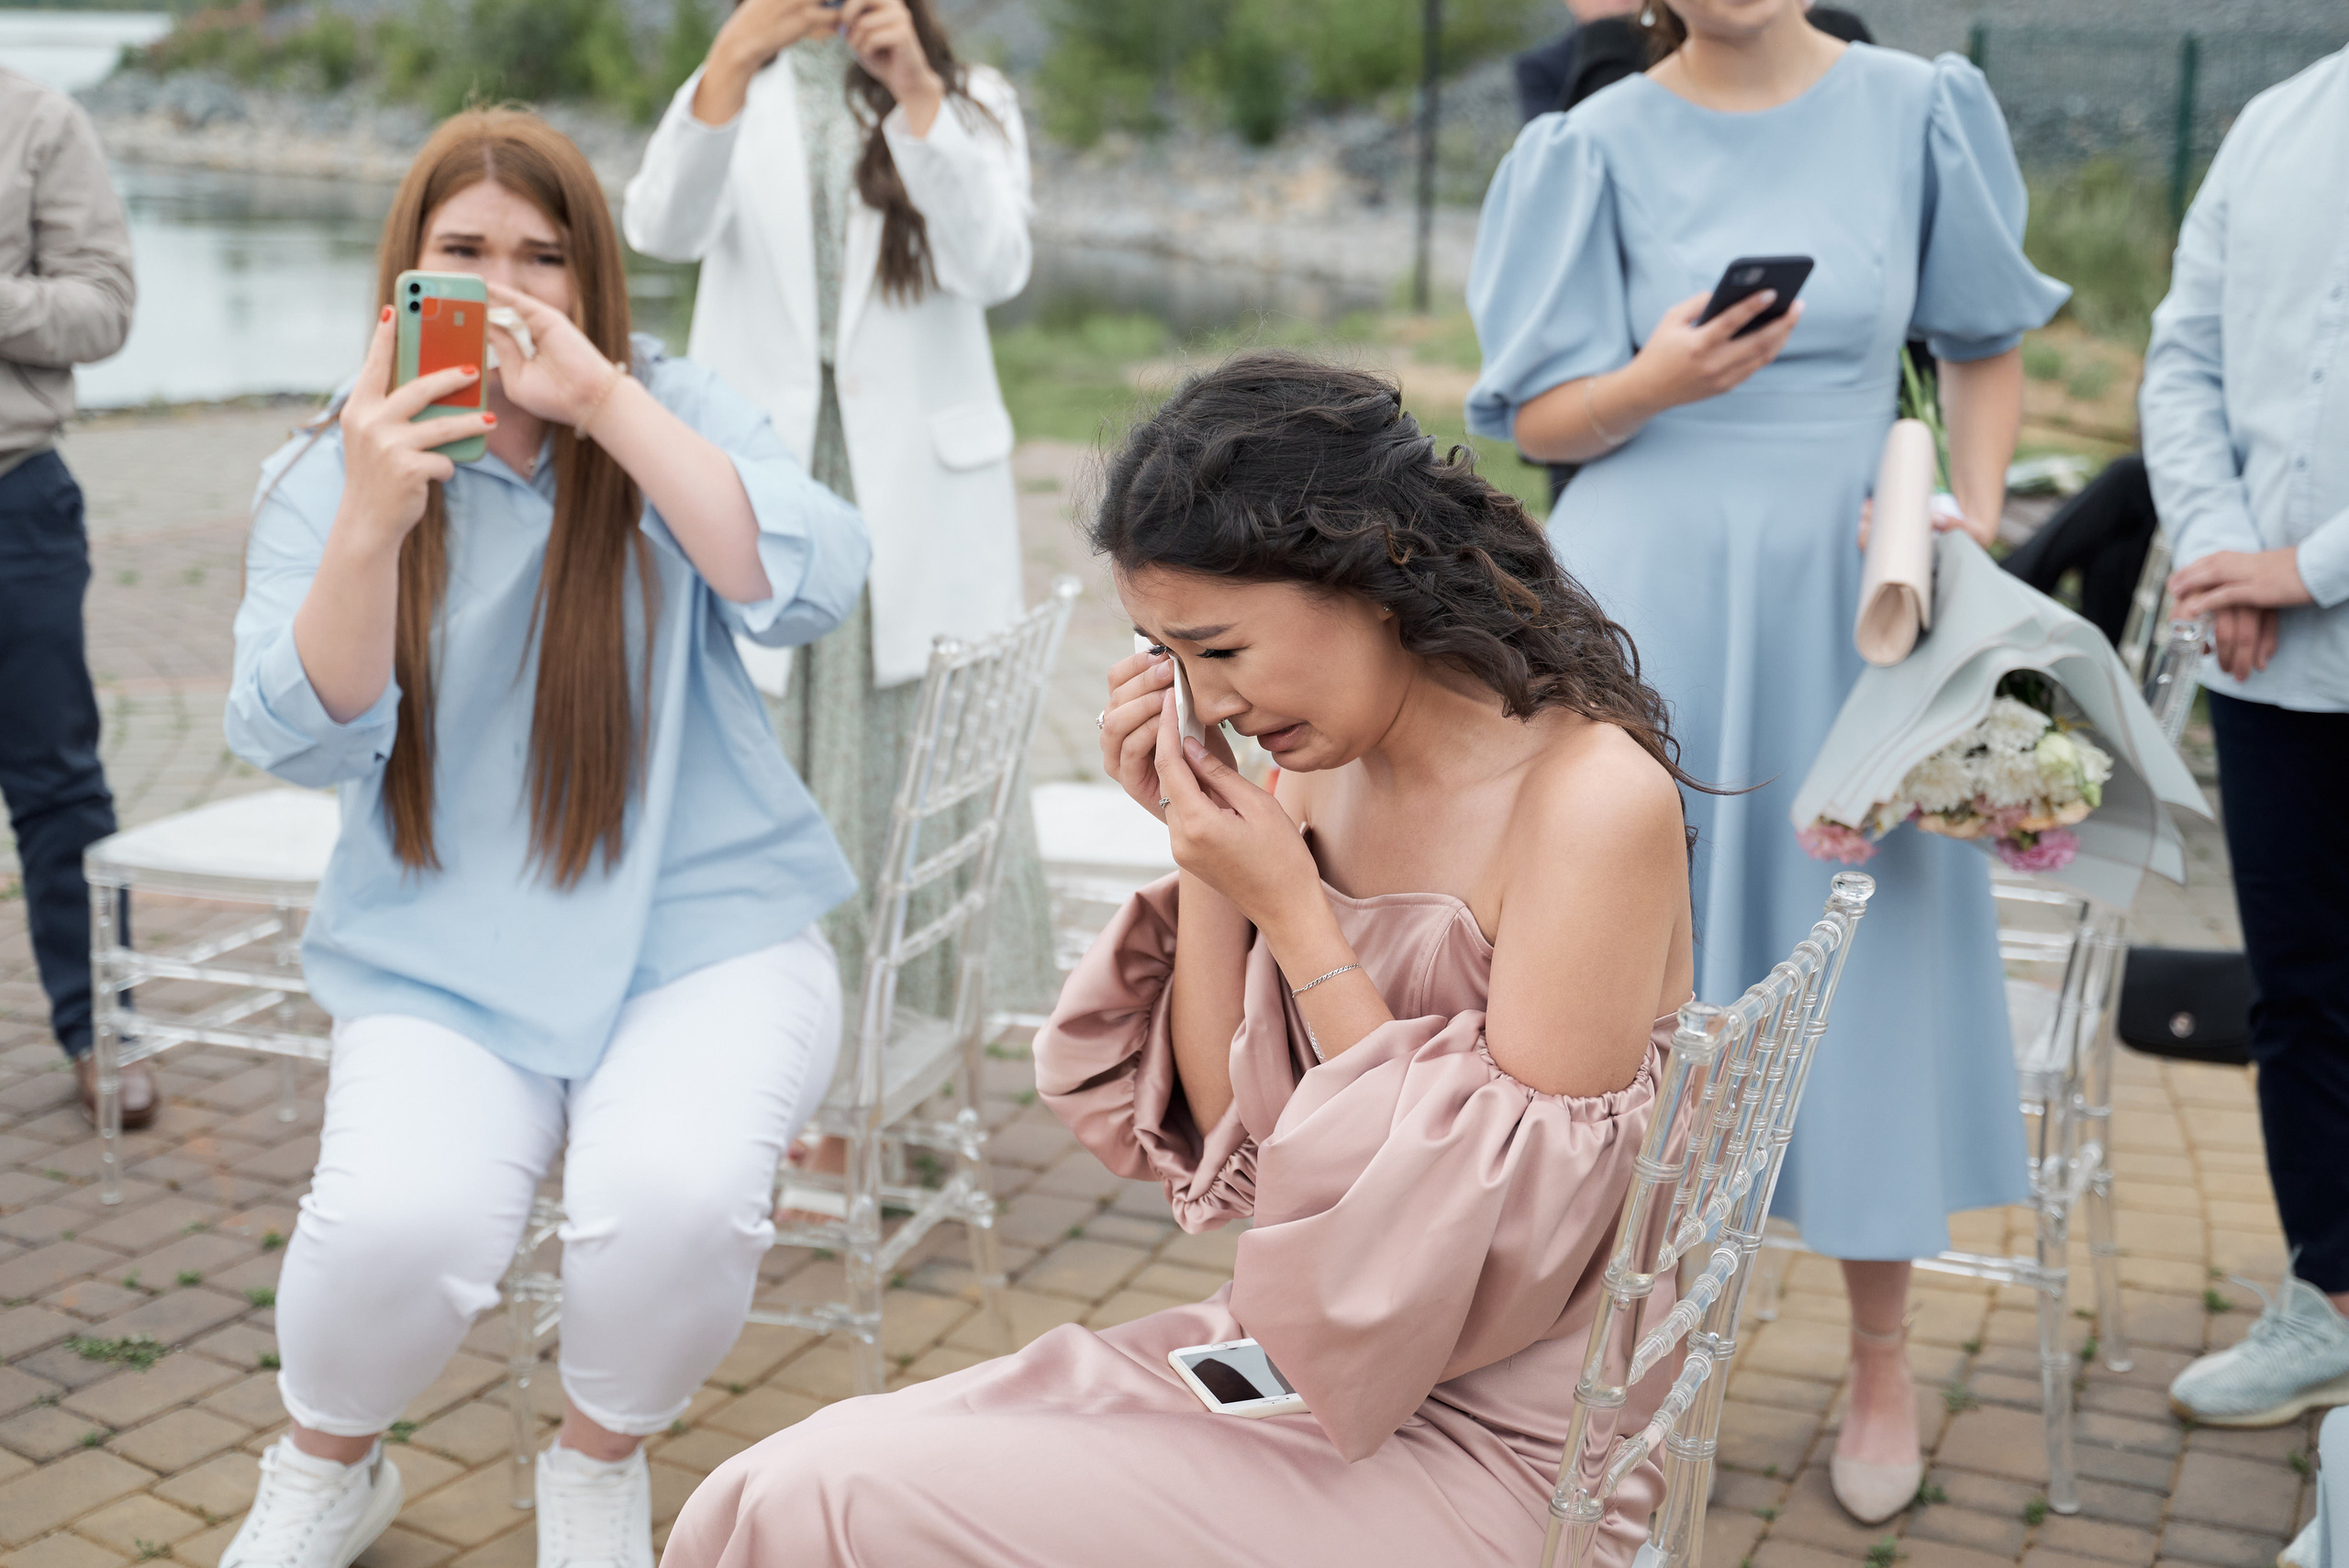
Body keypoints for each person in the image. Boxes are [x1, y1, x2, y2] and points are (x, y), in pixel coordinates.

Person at [662, 352, 1702, 1568]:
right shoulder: (1317, 761)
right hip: (1301, 1361)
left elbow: (1499, 1261)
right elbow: (1241, 1151)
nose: (1208, 699)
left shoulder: (1588, 802)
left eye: (1222, 649)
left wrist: (1297, 915)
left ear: (1375, 575)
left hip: (1497, 1442)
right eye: (1170, 659)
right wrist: (1208, 858)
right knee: (765, 1485)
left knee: (831, 1503)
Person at [216, 110, 870, 1568]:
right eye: (467, 251)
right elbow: (300, 735)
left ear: (590, 283)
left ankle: (595, 1464)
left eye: (543, 256)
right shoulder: (330, 465)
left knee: (680, 1196)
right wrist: (372, 521)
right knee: (397, 1220)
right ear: (408, 270)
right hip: (445, 944)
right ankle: (329, 1465)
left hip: (708, 925)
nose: (505, 283)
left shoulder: (669, 403)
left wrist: (612, 411)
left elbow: (813, 578)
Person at [1465, 0, 2067, 1525]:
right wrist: (1655, 380)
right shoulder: (1585, 145)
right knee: (1633, 979)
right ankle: (1624, 1359)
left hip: (1855, 604)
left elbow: (1986, 340)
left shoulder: (1920, 108)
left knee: (1873, 958)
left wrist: (1968, 521)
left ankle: (1881, 1358)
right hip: (1649, 593)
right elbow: (1530, 411)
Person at [623, 0, 1053, 1022]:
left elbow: (994, 267)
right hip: (769, 484)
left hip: (912, 490)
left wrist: (916, 94)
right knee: (768, 760)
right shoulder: (740, 86)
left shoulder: (971, 96)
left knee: (903, 770)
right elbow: (659, 229)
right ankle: (791, 1055)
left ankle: (897, 1052)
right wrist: (729, 55)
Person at [2141, 43, 2349, 1471]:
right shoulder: (2279, 122)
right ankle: (2325, 1289)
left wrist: (2308, 565)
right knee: (2303, 994)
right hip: (2278, 668)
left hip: (2302, 606)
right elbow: (2184, 354)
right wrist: (2227, 559)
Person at [0, 66, 149, 1129]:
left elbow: (105, 306)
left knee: (58, 781)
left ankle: (105, 1026)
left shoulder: (38, 119)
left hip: (14, 502)